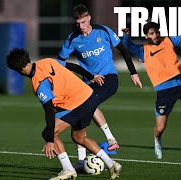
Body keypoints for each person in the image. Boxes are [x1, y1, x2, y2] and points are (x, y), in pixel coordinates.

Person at [6, 48, 122, 180]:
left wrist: (49, 139)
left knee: (49, 132)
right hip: (89, 96)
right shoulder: (47, 61)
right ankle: (111, 164)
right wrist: (91, 77)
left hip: (76, 104)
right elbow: (72, 66)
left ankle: (68, 170)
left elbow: (49, 110)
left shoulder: (38, 82)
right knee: (79, 138)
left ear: (18, 70)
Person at [121, 4, 181, 160]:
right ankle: (157, 140)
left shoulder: (169, 41)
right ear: (146, 36)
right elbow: (127, 45)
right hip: (164, 93)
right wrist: (126, 36)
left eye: (156, 32)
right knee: (160, 128)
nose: (155, 35)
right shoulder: (142, 51)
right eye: (152, 33)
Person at [57, 4, 143, 168]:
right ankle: (82, 161)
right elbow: (60, 63)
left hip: (109, 78)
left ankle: (110, 139)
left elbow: (123, 50)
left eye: (83, 22)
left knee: (88, 102)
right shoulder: (72, 39)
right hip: (87, 83)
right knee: (81, 113)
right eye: (77, 23)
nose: (81, 26)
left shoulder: (103, 31)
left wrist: (133, 72)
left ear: (89, 17)